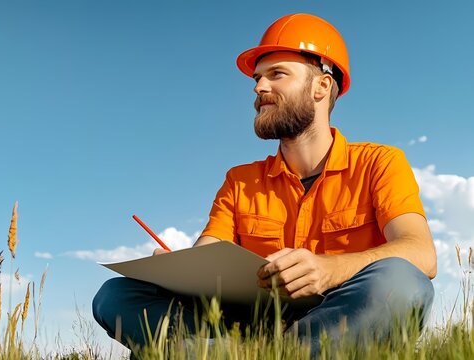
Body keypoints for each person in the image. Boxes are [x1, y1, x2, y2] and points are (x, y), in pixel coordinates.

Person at [93, 13, 436, 355]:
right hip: (246, 321)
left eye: (277, 74)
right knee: (116, 295)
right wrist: (174, 270)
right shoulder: (239, 181)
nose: (259, 87)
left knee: (402, 283)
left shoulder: (379, 163)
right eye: (257, 78)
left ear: (322, 86)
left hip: (336, 317)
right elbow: (207, 255)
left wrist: (329, 269)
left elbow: (421, 254)